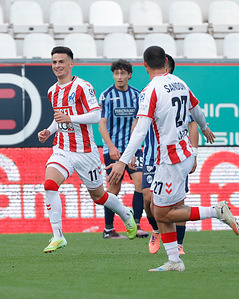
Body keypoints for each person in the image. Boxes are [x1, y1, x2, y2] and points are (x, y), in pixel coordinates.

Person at [108, 46, 239, 271]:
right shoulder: (180, 82)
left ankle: (216, 211)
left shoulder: (150, 91)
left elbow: (140, 130)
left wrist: (122, 161)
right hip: (185, 153)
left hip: (171, 160)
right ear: (165, 62)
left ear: (145, 65)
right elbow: (196, 110)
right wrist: (205, 127)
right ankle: (174, 262)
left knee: (160, 212)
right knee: (168, 209)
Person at [38, 46, 137, 253]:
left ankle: (126, 214)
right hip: (62, 149)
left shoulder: (83, 87)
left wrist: (70, 118)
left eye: (61, 62)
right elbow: (59, 119)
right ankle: (58, 236)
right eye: (54, 62)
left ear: (71, 64)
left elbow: (94, 116)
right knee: (49, 185)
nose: (57, 66)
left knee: (99, 197)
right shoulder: (52, 91)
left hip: (85, 152)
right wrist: (49, 131)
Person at [141, 54, 199, 255]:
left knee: (176, 203)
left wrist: (194, 152)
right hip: (151, 154)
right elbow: (139, 125)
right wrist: (129, 153)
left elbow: (193, 122)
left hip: (174, 156)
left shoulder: (177, 89)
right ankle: (156, 230)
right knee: (148, 199)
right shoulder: (150, 93)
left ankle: (178, 246)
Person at [99, 59, 148, 239]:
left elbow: (138, 123)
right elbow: (102, 125)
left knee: (141, 184)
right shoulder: (106, 95)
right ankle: (108, 229)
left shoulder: (137, 95)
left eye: (122, 73)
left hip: (133, 149)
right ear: (113, 75)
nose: (119, 77)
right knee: (114, 188)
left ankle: (136, 224)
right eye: (116, 73)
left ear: (129, 75)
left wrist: (134, 150)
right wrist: (111, 146)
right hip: (113, 150)